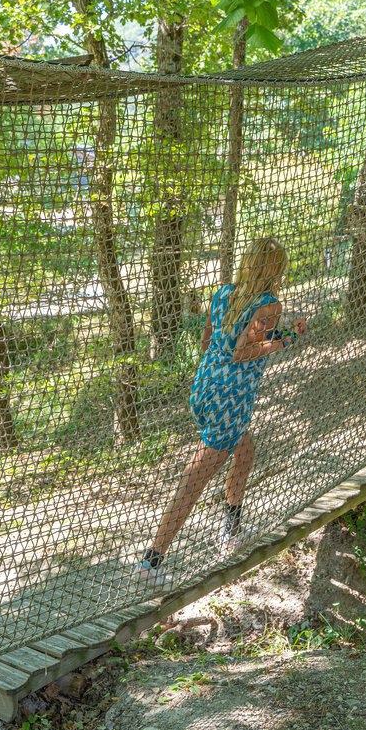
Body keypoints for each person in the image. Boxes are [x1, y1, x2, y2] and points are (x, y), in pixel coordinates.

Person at [137, 238, 307, 585]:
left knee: (244, 449)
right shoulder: (269, 304)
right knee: (195, 479)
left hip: (204, 387)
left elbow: (207, 342)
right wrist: (288, 338)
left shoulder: (221, 294)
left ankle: (230, 532)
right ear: (273, 270)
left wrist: (213, 378)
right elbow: (242, 353)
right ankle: (151, 564)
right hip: (232, 397)